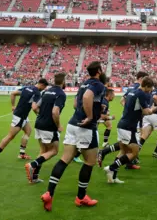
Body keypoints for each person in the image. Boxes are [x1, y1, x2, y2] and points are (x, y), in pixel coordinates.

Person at [40, 62, 108, 210]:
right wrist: (90, 116)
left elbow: (76, 103)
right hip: (86, 127)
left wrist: (95, 107)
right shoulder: (99, 85)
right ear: (99, 71)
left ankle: (49, 193)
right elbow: (87, 98)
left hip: (73, 124)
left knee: (65, 159)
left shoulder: (83, 84)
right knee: (90, 162)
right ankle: (81, 197)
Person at [104, 77, 157, 183]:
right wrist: (154, 109)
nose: (150, 90)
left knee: (123, 151)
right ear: (146, 86)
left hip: (122, 124)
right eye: (150, 88)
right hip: (129, 127)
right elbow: (147, 111)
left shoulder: (132, 91)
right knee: (134, 152)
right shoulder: (141, 94)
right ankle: (111, 167)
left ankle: (113, 177)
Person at [0, 78, 49, 164]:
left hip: (21, 115)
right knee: (10, 136)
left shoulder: (26, 87)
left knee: (28, 131)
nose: (44, 89)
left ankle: (22, 153)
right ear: (42, 84)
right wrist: (41, 115)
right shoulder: (37, 93)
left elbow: (13, 94)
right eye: (44, 87)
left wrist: (13, 106)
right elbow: (34, 108)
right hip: (20, 117)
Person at [25, 73, 67, 184]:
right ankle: (32, 165)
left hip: (39, 124)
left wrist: (42, 115)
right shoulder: (61, 94)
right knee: (54, 151)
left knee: (43, 151)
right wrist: (58, 125)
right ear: (63, 82)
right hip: (49, 127)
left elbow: (34, 107)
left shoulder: (46, 91)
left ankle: (34, 178)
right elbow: (55, 111)